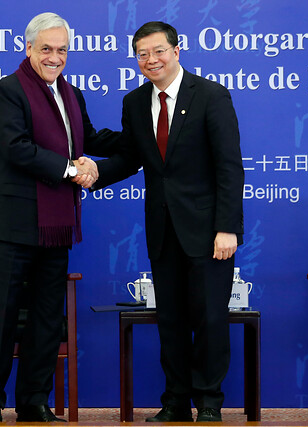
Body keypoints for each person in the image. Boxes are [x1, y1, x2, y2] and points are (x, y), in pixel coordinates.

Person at [0, 12, 118, 423]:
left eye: (62, 50)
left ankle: (35, 399)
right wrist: (74, 170)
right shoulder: (7, 90)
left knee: (46, 315)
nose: (55, 57)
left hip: (56, 228)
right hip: (13, 224)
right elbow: (16, 148)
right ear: (29, 48)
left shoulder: (71, 94)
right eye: (47, 49)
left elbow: (88, 138)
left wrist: (142, 140)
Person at [95, 21, 244, 422]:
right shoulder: (135, 102)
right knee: (171, 321)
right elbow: (130, 157)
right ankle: (175, 402)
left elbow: (229, 167)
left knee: (211, 319)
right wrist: (91, 173)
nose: (151, 60)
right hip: (163, 230)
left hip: (210, 232)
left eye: (158, 51)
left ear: (177, 51)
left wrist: (227, 227)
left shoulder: (211, 95)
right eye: (142, 54)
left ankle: (209, 402)